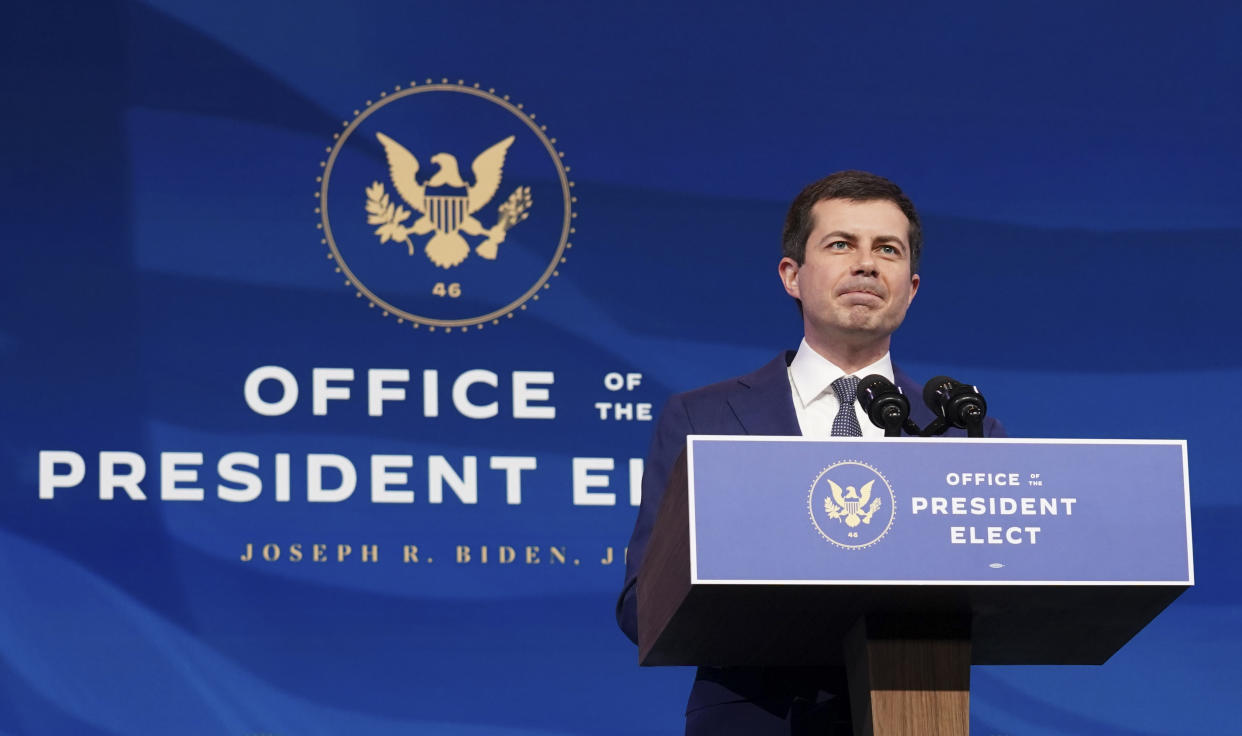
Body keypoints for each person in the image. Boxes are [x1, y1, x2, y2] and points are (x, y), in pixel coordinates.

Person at [615, 170, 1005, 735]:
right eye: (841, 244)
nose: (866, 264)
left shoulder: (963, 432)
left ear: (912, 287)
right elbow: (641, 605)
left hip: (918, 710)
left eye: (887, 249)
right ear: (792, 275)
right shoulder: (704, 420)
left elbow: (1005, 593)